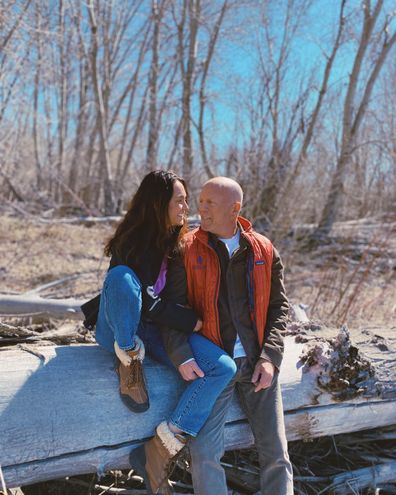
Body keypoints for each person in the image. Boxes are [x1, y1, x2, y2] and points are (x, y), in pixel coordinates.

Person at [87, 171, 236, 494]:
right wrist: (187, 321)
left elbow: (166, 304)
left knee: (223, 367)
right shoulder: (131, 240)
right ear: (159, 204)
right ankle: (128, 362)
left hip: (156, 330)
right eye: (179, 200)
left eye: (186, 200)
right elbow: (144, 303)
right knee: (122, 278)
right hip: (117, 327)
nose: (186, 206)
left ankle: (158, 450)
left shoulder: (178, 243)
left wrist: (187, 332)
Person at [160, 177, 294, 495]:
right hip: (213, 366)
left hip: (257, 364)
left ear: (235, 209)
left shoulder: (263, 249)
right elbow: (171, 310)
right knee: (204, 454)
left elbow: (279, 309)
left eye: (210, 203)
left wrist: (270, 358)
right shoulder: (186, 249)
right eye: (200, 200)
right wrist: (181, 354)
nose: (200, 208)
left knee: (276, 454)